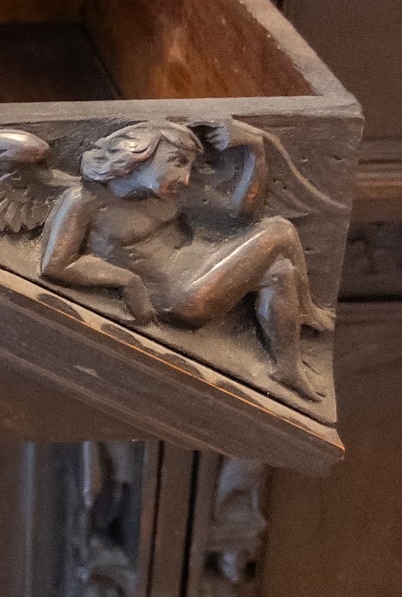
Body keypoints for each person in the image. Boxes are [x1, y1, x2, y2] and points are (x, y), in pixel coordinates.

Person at [39, 119, 334, 400]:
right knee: (279, 230)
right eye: (178, 162)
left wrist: (254, 149)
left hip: (195, 269)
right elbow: (56, 264)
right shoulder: (84, 200)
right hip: (176, 297)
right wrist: (128, 281)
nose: (186, 178)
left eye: (189, 166)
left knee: (279, 271)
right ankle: (310, 312)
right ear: (140, 154)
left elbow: (240, 218)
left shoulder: (163, 194)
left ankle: (288, 367)